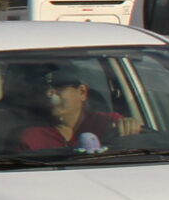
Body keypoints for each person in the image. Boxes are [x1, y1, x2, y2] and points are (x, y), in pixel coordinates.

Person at [12, 63, 142, 154]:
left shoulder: (109, 123)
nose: (49, 94)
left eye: (58, 87)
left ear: (82, 92)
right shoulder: (31, 137)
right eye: (45, 89)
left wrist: (131, 127)